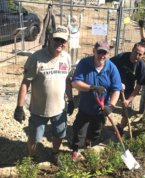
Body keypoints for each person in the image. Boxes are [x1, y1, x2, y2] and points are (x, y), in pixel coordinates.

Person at [13, 26, 74, 165]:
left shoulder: (66, 57)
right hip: (39, 110)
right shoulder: (36, 57)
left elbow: (67, 80)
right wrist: (19, 107)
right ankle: (32, 158)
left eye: (63, 40)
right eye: (57, 39)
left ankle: (55, 154)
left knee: (59, 135)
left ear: (67, 42)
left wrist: (70, 100)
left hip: (59, 108)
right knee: (34, 138)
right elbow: (25, 83)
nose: (60, 43)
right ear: (50, 39)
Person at [71, 41, 122, 158]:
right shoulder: (84, 63)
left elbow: (116, 89)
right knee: (79, 131)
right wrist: (91, 87)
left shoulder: (112, 68)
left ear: (108, 54)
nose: (102, 55)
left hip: (101, 109)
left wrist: (112, 106)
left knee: (96, 131)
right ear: (94, 51)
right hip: (85, 107)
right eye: (99, 52)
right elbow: (75, 83)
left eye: (105, 53)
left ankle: (88, 143)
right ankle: (75, 151)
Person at [110, 42, 145, 131]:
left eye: (140, 54)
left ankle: (121, 128)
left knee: (127, 112)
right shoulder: (120, 58)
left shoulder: (141, 67)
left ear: (143, 56)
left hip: (128, 90)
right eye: (135, 52)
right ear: (132, 50)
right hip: (113, 87)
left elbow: (138, 87)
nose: (137, 56)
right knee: (107, 107)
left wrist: (128, 100)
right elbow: (107, 66)